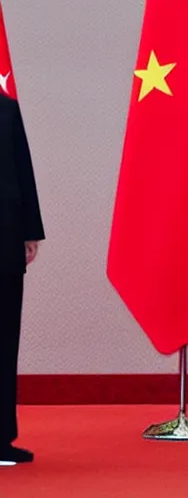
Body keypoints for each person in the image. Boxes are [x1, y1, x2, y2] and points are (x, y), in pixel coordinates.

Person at [0, 93, 45, 466]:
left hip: (4, 240)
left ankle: (0, 439)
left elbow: (23, 169)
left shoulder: (6, 108)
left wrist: (30, 230)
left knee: (3, 343)